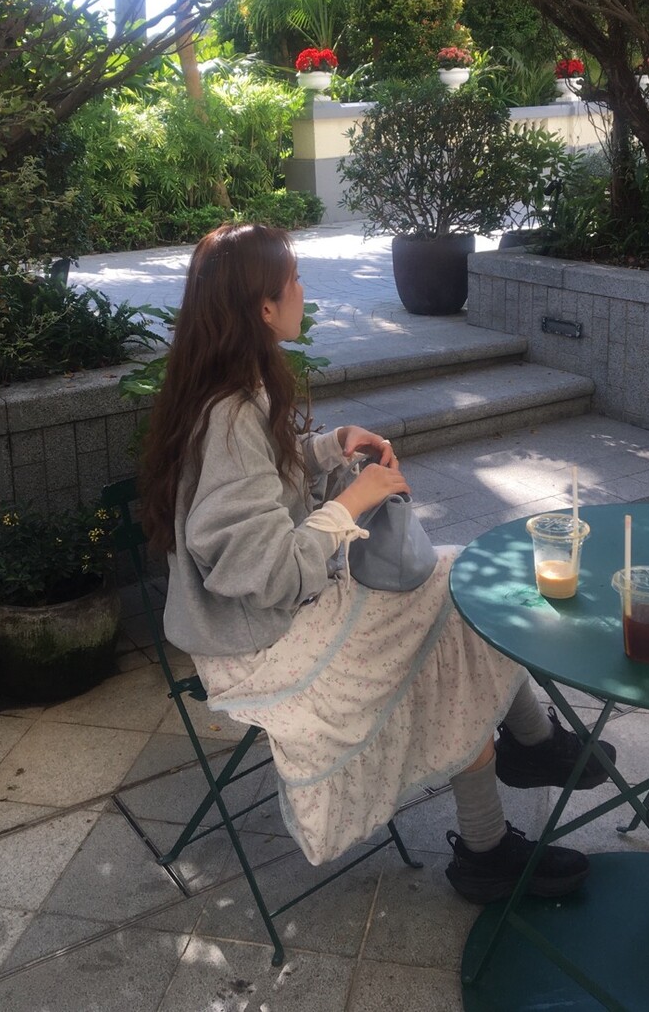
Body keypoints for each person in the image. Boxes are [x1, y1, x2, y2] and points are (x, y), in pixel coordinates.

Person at [141, 223, 615, 903]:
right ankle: (511, 791)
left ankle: (518, 774)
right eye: (293, 278)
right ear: (263, 308)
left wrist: (331, 446)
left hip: (273, 616)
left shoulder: (231, 389)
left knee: (458, 590)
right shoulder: (230, 413)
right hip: (257, 645)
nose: (303, 287)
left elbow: (260, 484)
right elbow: (267, 570)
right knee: (459, 606)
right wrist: (353, 501)